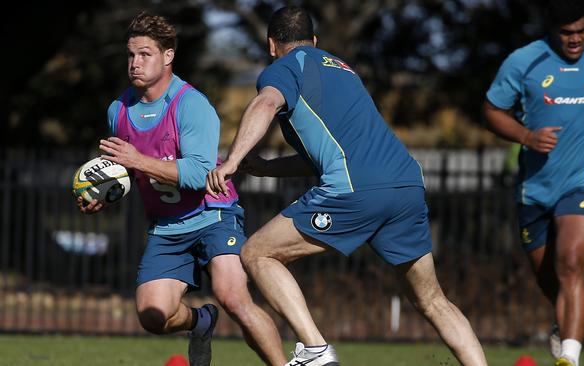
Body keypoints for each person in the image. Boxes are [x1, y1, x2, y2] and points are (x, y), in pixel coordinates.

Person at [206, 6, 488, 366]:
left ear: (272, 44)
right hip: (406, 185)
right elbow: (327, 154)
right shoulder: (341, 68)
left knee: (257, 253)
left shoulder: (283, 69)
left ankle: (314, 351)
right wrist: (267, 169)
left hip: (357, 189)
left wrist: (232, 160)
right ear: (315, 40)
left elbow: (265, 103)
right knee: (433, 300)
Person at [76, 11, 286, 366]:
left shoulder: (191, 105)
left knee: (232, 296)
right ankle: (200, 320)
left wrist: (138, 160)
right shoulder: (119, 110)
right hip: (167, 227)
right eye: (131, 54)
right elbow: (124, 169)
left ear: (168, 56)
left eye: (145, 54)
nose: (135, 63)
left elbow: (200, 173)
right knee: (153, 316)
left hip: (213, 214)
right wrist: (105, 193)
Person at [482, 1, 584, 365]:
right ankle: (565, 322)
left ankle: (568, 358)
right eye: (566, 33)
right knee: (550, 279)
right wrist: (525, 136)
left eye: (582, 32)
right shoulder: (524, 62)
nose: (575, 40)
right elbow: (491, 110)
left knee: (571, 263)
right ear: (551, 29)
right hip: (535, 188)